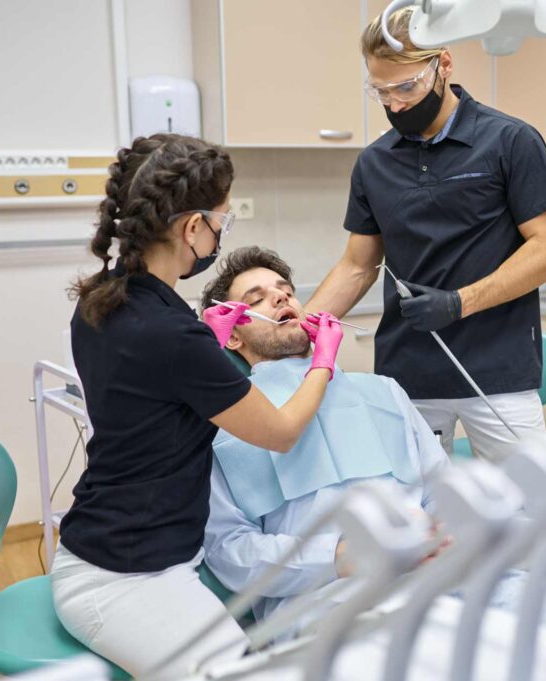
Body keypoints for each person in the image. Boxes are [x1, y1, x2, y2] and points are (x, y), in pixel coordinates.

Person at [199, 247, 546, 660]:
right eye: (258, 298)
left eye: (286, 291)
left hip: (443, 573)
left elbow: (440, 490)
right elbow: (230, 552)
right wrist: (339, 556)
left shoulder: (382, 393)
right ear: (233, 334)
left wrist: (447, 532)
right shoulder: (222, 427)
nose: (280, 297)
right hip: (333, 600)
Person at [51, 134, 343, 679]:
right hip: (124, 578)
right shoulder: (173, 335)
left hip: (114, 541)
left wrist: (203, 343)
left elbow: (149, 395)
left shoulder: (105, 298)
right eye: (221, 224)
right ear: (192, 227)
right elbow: (279, 431)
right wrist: (323, 361)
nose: (219, 236)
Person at [307, 8, 546, 463]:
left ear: (443, 65)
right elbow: (358, 265)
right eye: (381, 92)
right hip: (409, 370)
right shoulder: (374, 163)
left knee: (525, 505)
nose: (395, 105)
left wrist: (458, 303)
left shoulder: (510, 141)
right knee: (420, 514)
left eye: (405, 87)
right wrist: (303, 324)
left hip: (498, 369)